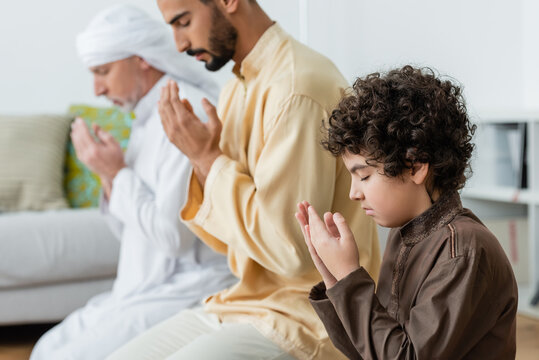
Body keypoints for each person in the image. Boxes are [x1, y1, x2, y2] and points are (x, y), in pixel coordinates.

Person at [107, 0, 380, 359]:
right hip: (243, 303)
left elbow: (291, 251)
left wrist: (207, 157)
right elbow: (233, 243)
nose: (178, 44)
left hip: (309, 316)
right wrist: (201, 159)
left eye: (184, 22)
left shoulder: (297, 87)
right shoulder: (236, 89)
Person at [30, 5, 236, 360]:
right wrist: (110, 176)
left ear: (141, 59)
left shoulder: (183, 113)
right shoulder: (144, 118)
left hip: (185, 288)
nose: (97, 89)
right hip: (140, 289)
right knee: (46, 347)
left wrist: (116, 174)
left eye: (103, 71)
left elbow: (172, 238)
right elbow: (131, 233)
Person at [298, 65, 518, 359]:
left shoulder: (462, 250)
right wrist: (335, 280)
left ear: (415, 167)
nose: (354, 193)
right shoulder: (406, 237)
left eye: (363, 176)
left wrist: (350, 277)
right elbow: (371, 350)